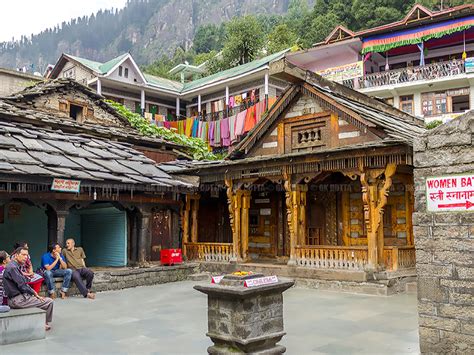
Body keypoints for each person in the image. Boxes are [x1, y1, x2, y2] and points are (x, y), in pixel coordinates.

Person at [4, 247, 53, 330]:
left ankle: (41, 321)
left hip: (18, 298)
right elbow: (22, 285)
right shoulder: (12, 267)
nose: (26, 257)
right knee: (49, 301)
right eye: (23, 255)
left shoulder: (14, 266)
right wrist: (35, 294)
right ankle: (43, 323)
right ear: (16, 255)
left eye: (27, 255)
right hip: (17, 300)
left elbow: (22, 283)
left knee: (41, 300)